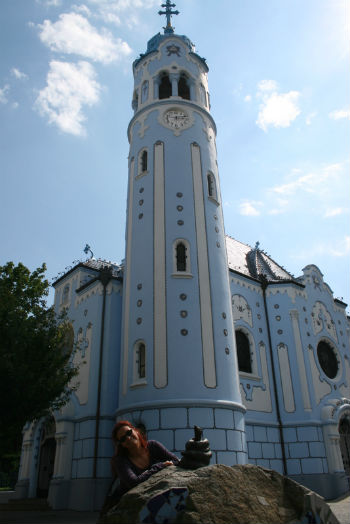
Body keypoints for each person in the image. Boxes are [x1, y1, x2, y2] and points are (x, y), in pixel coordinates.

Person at [110, 420, 179, 498]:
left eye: (129, 433)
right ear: (121, 444)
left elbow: (176, 461)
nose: (128, 438)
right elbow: (134, 483)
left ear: (136, 430)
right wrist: (160, 466)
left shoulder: (153, 446)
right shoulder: (120, 461)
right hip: (131, 504)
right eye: (123, 439)